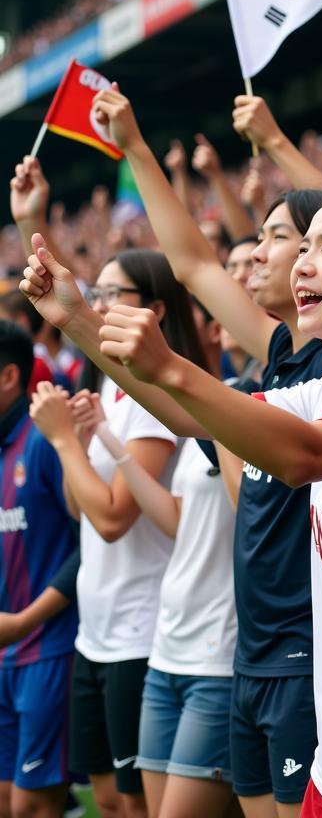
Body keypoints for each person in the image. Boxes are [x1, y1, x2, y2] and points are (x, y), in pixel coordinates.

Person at [82, 185, 322, 818]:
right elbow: (188, 415)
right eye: (304, 247)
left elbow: (301, 459)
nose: (300, 265)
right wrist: (76, 321)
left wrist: (171, 365)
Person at [16, 86, 322, 818]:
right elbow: (191, 266)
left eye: (279, 236)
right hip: (249, 658)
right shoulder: (282, 353)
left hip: (303, 656)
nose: (252, 250)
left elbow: (193, 285)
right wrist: (74, 316)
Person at [28, 250, 206, 818]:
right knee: (106, 796)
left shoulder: (156, 403)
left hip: (142, 629)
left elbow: (110, 519)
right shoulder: (107, 391)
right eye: (95, 292)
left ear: (155, 309)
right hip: (95, 631)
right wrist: (80, 444)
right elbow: (80, 513)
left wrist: (61, 443)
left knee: (138, 805)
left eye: (112, 294)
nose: (97, 304)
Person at [0, 322, 79, 818]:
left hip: (46, 650)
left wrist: (25, 620)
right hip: (5, 656)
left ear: (9, 376)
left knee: (32, 806)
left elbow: (88, 545)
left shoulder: (44, 440)